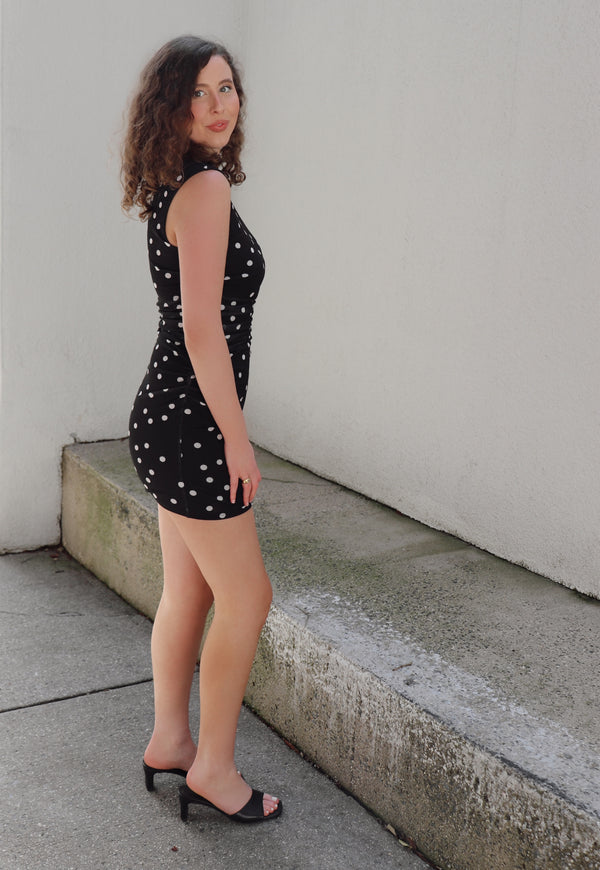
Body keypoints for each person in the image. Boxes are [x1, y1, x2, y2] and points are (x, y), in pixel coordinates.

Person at [120, 35, 281, 823]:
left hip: (165, 420)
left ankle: (171, 740)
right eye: (199, 92)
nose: (219, 106)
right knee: (247, 598)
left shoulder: (176, 184)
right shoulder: (206, 188)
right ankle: (214, 770)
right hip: (192, 428)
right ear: (172, 108)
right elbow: (201, 329)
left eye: (228, 88)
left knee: (188, 590)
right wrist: (237, 438)